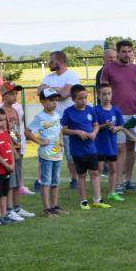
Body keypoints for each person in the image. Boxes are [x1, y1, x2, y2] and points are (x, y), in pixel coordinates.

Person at [101, 40, 136, 195]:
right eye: (124, 51)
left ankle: (128, 180)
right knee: (119, 148)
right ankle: (118, 182)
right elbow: (103, 91)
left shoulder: (135, 69)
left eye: (129, 51)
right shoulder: (108, 69)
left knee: (131, 147)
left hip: (134, 113)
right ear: (118, 52)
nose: (127, 54)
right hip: (117, 115)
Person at [60, 84, 108, 209]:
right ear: (73, 99)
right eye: (80, 98)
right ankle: (83, 201)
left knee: (95, 173)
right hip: (77, 150)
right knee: (81, 175)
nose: (84, 100)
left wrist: (94, 133)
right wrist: (77, 132)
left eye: (85, 97)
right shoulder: (68, 112)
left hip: (91, 149)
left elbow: (96, 125)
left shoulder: (90, 110)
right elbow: (63, 130)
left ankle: (97, 199)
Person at [40, 50, 79, 185]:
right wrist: (58, 89)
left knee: (70, 153)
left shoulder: (71, 76)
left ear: (60, 61)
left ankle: (74, 179)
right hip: (51, 121)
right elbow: (40, 92)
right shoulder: (48, 77)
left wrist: (49, 89)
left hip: (68, 120)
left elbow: (64, 94)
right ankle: (44, 180)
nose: (49, 63)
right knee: (48, 151)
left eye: (51, 61)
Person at [26, 90, 66, 216]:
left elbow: (59, 129)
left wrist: (61, 140)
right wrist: (39, 141)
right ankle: (47, 209)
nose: (55, 103)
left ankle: (55, 206)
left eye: (55, 100)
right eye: (51, 100)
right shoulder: (40, 117)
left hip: (57, 154)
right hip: (46, 155)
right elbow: (27, 131)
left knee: (55, 181)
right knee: (46, 182)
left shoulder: (56, 115)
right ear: (43, 102)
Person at [0, 83, 32, 219]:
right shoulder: (2, 112)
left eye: (15, 94)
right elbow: (5, 134)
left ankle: (17, 208)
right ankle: (9, 209)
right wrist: (13, 151)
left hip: (17, 148)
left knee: (17, 180)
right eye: (11, 94)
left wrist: (20, 147)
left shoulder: (15, 110)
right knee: (10, 182)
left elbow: (16, 131)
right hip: (9, 151)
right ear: (4, 95)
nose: (15, 96)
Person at [91, 83, 128, 201]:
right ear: (99, 95)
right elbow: (92, 128)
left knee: (113, 169)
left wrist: (115, 128)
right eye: (104, 94)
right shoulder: (95, 110)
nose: (107, 96)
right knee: (99, 170)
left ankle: (112, 193)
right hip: (99, 146)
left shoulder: (116, 110)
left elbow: (121, 125)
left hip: (111, 146)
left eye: (109, 94)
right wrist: (104, 126)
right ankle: (98, 195)